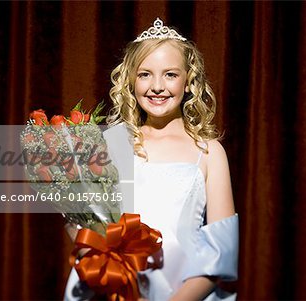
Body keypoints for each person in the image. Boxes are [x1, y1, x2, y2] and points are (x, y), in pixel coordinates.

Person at [64, 18, 238, 301]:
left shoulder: (209, 153)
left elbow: (221, 251)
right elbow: (84, 229)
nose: (157, 86)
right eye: (145, 74)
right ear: (131, 80)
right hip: (112, 291)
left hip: (184, 292)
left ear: (189, 80)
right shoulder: (110, 143)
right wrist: (120, 286)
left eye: (170, 74)